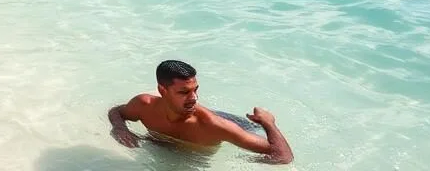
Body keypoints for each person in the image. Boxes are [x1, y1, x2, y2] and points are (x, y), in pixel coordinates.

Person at [108, 60, 294, 164]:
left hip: (242, 124)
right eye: (184, 92)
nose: (194, 98)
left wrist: (268, 123)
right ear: (162, 90)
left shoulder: (213, 126)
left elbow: (282, 157)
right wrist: (120, 129)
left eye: (195, 89)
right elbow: (117, 112)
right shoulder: (144, 105)